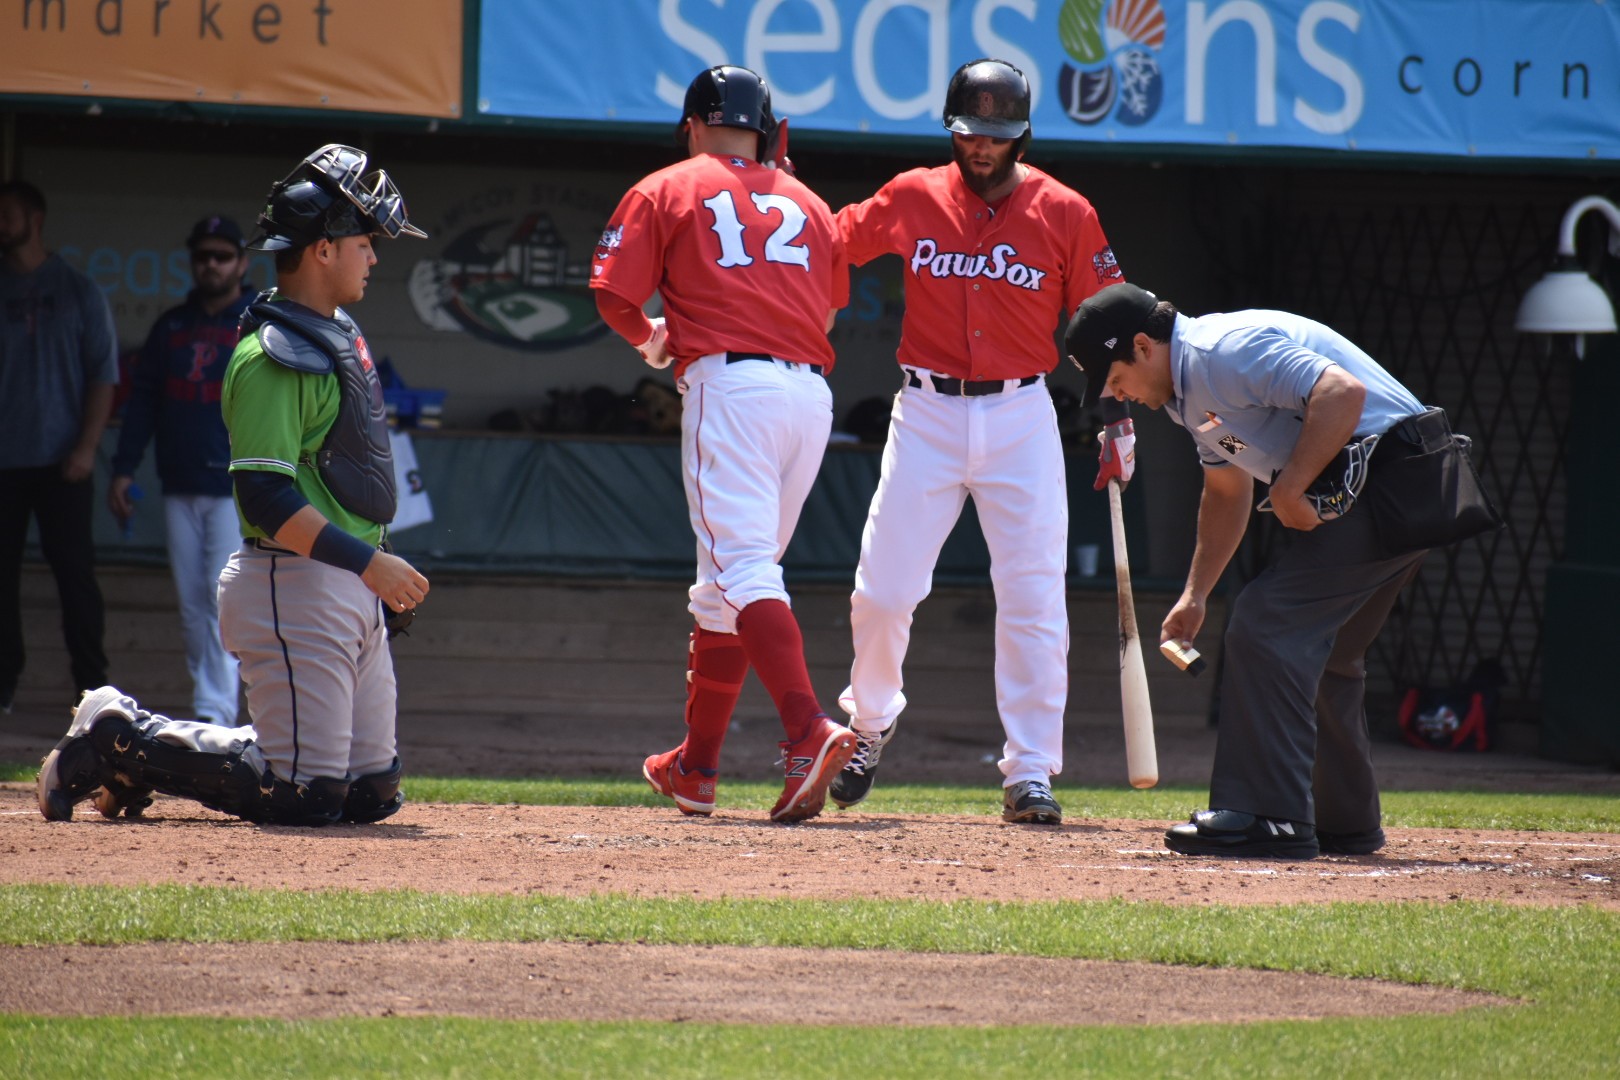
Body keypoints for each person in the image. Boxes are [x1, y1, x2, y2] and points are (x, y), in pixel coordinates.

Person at [37, 144, 431, 826]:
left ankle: (149, 750)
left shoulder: (336, 332)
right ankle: (120, 735)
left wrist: (376, 572)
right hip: (294, 579)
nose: (373, 255)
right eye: (363, 241)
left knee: (372, 794)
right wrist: (370, 563)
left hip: (347, 583)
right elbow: (267, 500)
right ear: (322, 250)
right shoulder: (272, 357)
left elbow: (347, 473)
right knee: (304, 796)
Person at [1065, 282, 1492, 858]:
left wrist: (1290, 487)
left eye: (1115, 380)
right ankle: (1344, 821)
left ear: (1143, 346)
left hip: (1400, 479)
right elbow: (1225, 488)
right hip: (1392, 487)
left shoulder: (1221, 352)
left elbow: (1341, 393)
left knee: (1266, 624)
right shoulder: (1187, 395)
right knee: (1329, 655)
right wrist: (1195, 594)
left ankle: (1271, 816)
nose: (1118, 396)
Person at [827, 59, 1131, 824]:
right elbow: (831, 245)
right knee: (883, 590)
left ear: (1022, 134)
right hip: (926, 409)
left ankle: (1029, 771)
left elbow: (1107, 324)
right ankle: (868, 723)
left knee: (1032, 600)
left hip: (1022, 414)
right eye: (969, 131)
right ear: (951, 129)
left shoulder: (1066, 210)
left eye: (996, 134)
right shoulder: (913, 193)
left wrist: (1119, 414)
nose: (982, 146)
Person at [591, 65, 856, 823]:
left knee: (741, 570)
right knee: (731, 585)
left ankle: (807, 730)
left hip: (730, 387)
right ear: (770, 129)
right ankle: (696, 767)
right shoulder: (808, 199)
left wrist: (650, 340)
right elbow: (829, 315)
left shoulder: (670, 183)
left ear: (693, 123)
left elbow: (613, 294)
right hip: (808, 396)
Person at [108, 215, 253, 725]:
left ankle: (216, 715)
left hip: (236, 488)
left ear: (242, 261)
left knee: (221, 601)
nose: (210, 264)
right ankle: (210, 707)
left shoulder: (258, 321)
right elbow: (142, 402)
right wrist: (123, 469)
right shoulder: (171, 326)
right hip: (179, 484)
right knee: (193, 605)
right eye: (202, 256)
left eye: (221, 255)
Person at [0, 179, 118, 714]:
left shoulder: (77, 290)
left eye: (8, 214)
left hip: (63, 461)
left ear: (36, 218)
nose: (1, 223)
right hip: (4, 461)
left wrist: (87, 446)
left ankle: (90, 691)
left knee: (75, 577)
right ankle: (4, 682)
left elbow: (103, 376)